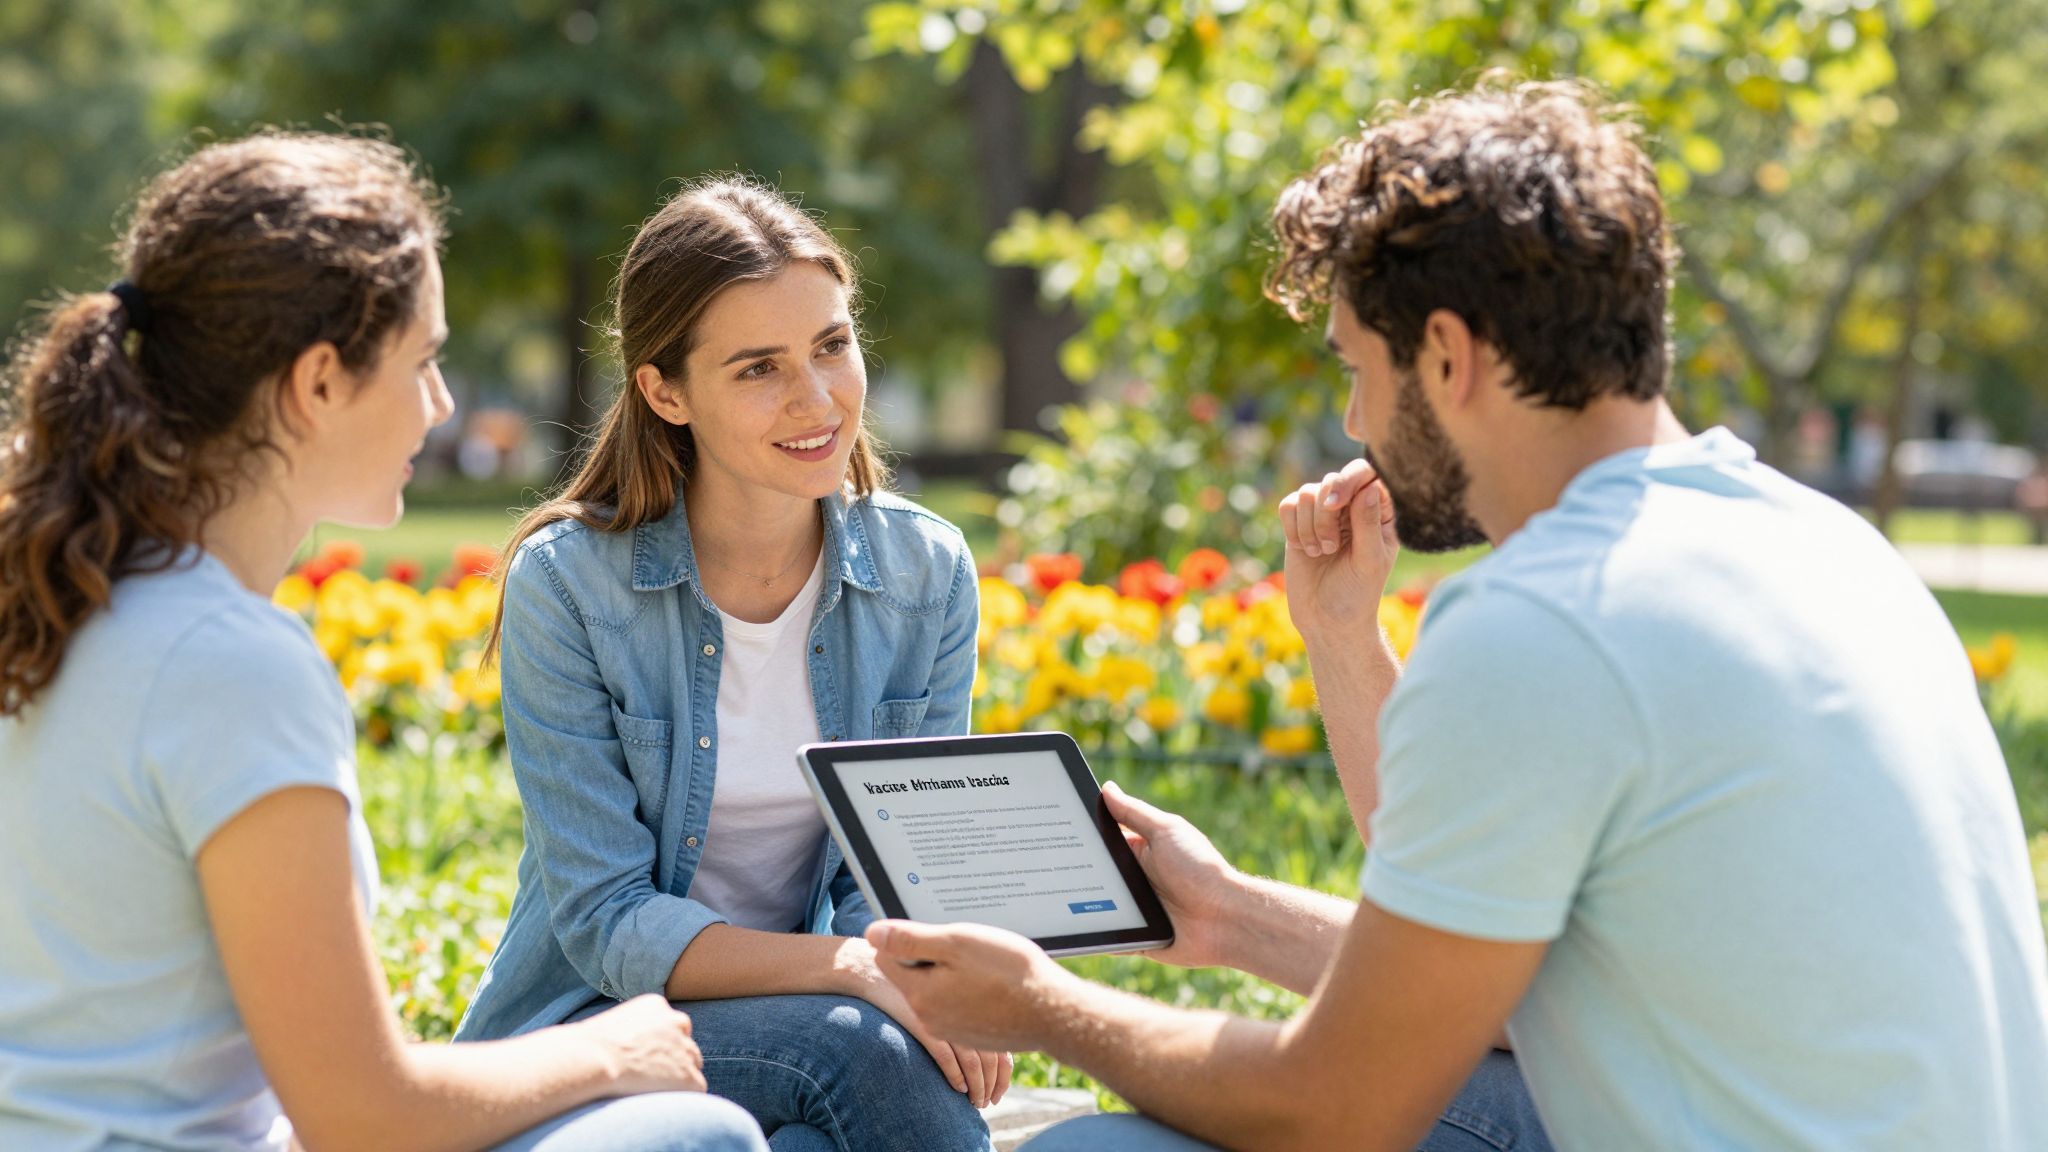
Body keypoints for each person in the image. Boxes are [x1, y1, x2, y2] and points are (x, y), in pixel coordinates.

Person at [864, 79, 2048, 1151]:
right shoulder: (1824, 546)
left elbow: (1330, 1106)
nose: (1351, 421)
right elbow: (1492, 949)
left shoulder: (1552, 621)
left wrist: (1040, 1006)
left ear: (1446, 354)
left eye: (1353, 367)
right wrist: (1226, 911)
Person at [0, 133, 767, 1151]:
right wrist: (608, 1054)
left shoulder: (68, 598)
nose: (444, 403)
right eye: (424, 359)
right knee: (691, 1135)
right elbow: (363, 1114)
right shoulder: (228, 663)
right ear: (318, 382)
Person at [454, 177, 1004, 1152]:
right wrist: (850, 970)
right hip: (599, 1028)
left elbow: (894, 879)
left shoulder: (924, 574)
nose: (816, 397)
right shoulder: (570, 586)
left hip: (822, 1021)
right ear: (666, 392)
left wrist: (881, 966)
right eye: (758, 368)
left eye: (831, 346)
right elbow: (608, 924)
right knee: (865, 1049)